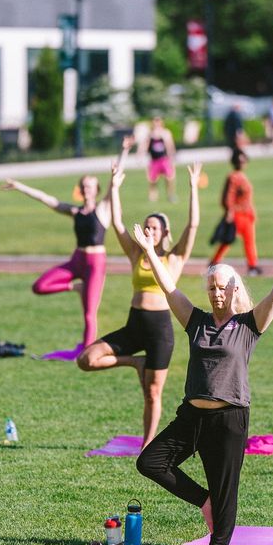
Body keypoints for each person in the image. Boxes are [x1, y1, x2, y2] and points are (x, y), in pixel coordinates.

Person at [134, 229, 273, 545]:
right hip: (191, 416)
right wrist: (148, 249)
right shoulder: (195, 321)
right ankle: (205, 501)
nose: (216, 294)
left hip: (228, 418)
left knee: (225, 489)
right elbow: (169, 288)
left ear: (235, 290)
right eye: (212, 288)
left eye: (223, 288)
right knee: (150, 461)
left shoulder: (248, 324)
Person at [77, 159, 202, 447]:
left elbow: (193, 224)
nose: (149, 231)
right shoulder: (137, 254)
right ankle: (134, 361)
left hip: (160, 332)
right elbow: (118, 223)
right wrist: (114, 186)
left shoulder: (175, 257)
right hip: (134, 325)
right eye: (146, 227)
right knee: (86, 360)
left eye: (154, 228)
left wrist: (193, 187)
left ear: (164, 233)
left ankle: (146, 445)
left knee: (152, 393)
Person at [3, 143, 127, 359]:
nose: (87, 189)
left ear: (97, 190)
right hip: (77, 259)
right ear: (80, 190)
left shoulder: (103, 209)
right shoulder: (74, 210)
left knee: (89, 313)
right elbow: (46, 199)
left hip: (96, 263)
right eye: (84, 186)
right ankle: (76, 287)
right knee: (39, 286)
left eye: (90, 186)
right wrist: (20, 186)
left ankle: (86, 355)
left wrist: (123, 152)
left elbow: (114, 183)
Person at [210, 149, 260, 276]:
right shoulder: (233, 177)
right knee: (228, 240)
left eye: (243, 160)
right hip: (237, 214)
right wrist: (229, 211)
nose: (242, 163)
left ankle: (252, 265)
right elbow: (229, 196)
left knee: (249, 241)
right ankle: (214, 262)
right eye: (240, 160)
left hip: (247, 214)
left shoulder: (242, 176)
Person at [142, 118, 177, 202]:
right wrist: (141, 155)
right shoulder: (150, 134)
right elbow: (145, 146)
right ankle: (153, 197)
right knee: (152, 180)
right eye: (155, 123)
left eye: (158, 123)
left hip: (164, 160)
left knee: (169, 178)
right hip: (154, 161)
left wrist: (172, 158)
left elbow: (170, 146)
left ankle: (171, 195)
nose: (156, 124)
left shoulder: (166, 133)